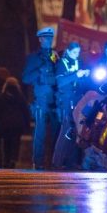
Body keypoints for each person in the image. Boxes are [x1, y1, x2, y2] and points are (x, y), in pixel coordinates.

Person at [21, 26, 59, 169]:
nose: (49, 40)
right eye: (46, 38)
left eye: (51, 38)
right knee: (40, 133)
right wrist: (39, 70)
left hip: (55, 100)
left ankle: (54, 161)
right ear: (40, 39)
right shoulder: (33, 58)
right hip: (41, 100)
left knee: (56, 132)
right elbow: (25, 78)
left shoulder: (55, 56)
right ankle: (38, 162)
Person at [52, 41, 90, 169]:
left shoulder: (78, 63)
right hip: (66, 99)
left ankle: (70, 161)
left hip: (77, 98)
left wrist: (85, 75)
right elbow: (60, 82)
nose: (76, 55)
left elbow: (80, 83)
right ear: (68, 51)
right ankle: (57, 161)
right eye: (74, 52)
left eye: (78, 53)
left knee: (75, 130)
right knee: (66, 128)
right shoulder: (62, 63)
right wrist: (75, 75)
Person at [0, 77, 31, 168]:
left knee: (6, 142)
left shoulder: (2, 96)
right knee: (16, 142)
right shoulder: (20, 96)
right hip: (17, 124)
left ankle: (6, 160)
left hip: (4, 124)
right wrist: (27, 123)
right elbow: (25, 111)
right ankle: (13, 160)